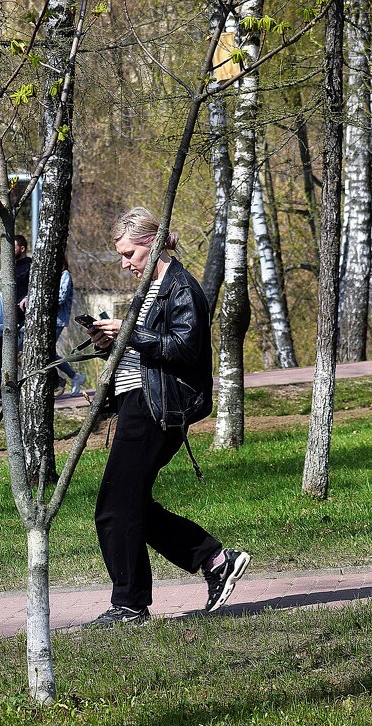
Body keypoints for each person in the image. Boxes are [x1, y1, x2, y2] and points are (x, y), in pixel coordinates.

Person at [82, 207, 250, 628]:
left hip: (156, 409)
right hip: (137, 403)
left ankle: (129, 605)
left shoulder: (181, 288)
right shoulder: (153, 288)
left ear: (151, 245)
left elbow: (184, 348)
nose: (124, 263)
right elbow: (144, 352)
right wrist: (108, 343)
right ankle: (214, 560)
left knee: (113, 507)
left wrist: (128, 333)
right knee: (129, 503)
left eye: (128, 254)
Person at [13, 235, 86, 396]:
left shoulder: (65, 275)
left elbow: (60, 297)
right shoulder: (53, 277)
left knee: (46, 351)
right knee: (36, 349)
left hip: (57, 320)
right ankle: (73, 377)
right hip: (46, 320)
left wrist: (40, 300)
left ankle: (73, 377)